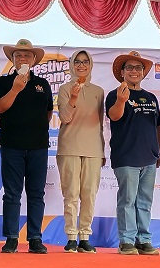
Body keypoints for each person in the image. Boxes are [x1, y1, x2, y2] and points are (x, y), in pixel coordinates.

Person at [0, 39, 53, 254]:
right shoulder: (2, 82)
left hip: (38, 146)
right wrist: (16, 89)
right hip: (11, 145)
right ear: (12, 59)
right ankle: (11, 238)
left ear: (34, 60)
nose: (23, 58)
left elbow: (48, 111)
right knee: (12, 193)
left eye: (27, 55)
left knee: (36, 194)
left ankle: (35, 238)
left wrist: (35, 128)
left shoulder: (43, 84)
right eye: (18, 55)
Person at [106, 51, 160, 255]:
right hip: (126, 157)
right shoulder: (115, 94)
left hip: (149, 157)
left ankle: (144, 239)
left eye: (138, 68)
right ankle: (126, 241)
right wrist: (121, 100)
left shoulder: (150, 97)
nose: (134, 71)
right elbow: (114, 116)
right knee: (127, 200)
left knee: (144, 201)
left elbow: (156, 125)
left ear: (143, 72)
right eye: (129, 67)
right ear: (122, 72)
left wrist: (158, 152)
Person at [56, 50, 104, 254]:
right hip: (69, 147)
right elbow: (65, 118)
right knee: (71, 194)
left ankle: (85, 236)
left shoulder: (99, 91)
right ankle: (71, 237)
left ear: (91, 65)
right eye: (78, 62)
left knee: (89, 194)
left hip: (93, 149)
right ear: (72, 65)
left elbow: (100, 124)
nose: (82, 65)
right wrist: (73, 98)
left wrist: (102, 150)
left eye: (85, 62)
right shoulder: (65, 89)